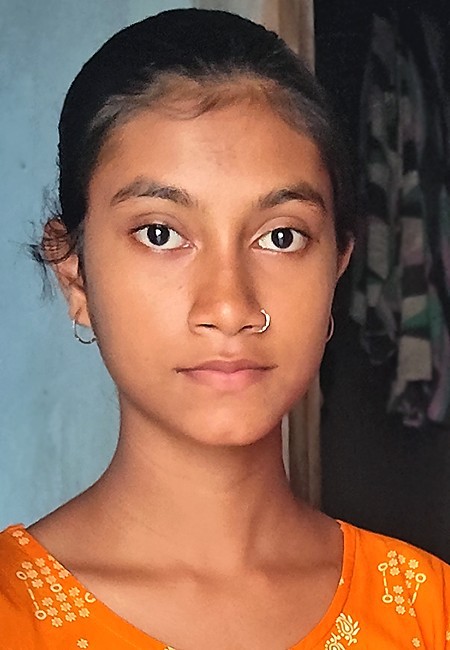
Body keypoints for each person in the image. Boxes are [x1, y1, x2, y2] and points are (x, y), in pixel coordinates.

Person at [0, 8, 448, 650]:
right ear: (75, 275)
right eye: (160, 234)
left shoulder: (427, 613)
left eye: (282, 237)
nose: (230, 306)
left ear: (337, 266)